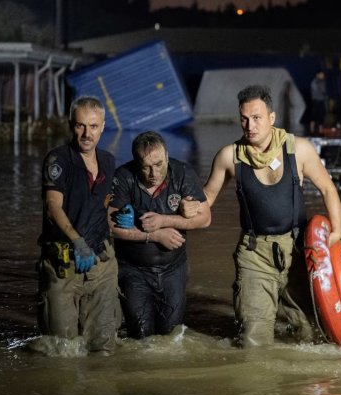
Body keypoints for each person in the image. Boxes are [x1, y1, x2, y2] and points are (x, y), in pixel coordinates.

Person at [181, 85, 341, 348]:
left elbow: (327, 188)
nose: (249, 125)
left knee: (308, 335)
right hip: (254, 254)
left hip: (297, 252)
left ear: (271, 117)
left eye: (256, 118)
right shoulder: (228, 156)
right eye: (244, 118)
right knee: (253, 341)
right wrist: (188, 207)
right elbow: (207, 198)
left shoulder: (299, 149)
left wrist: (336, 232)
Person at [36, 95, 120, 356]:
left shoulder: (108, 161)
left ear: (103, 127)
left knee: (104, 347)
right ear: (71, 125)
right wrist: (77, 241)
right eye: (80, 126)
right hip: (64, 264)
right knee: (62, 350)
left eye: (93, 126)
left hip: (102, 264)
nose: (86, 133)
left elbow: (105, 205)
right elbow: (53, 207)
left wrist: (124, 213)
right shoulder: (58, 160)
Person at [108, 131, 211, 339]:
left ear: (167, 156)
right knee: (140, 335)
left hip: (174, 270)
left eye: (159, 164)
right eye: (146, 167)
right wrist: (153, 236)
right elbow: (108, 226)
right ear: (136, 162)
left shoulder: (182, 173)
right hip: (133, 271)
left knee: (171, 336)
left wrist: (165, 221)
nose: (154, 173)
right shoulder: (122, 177)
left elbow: (205, 219)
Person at [309, 70, 327, 136]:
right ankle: (311, 130)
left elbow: (324, 90)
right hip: (315, 101)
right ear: (318, 75)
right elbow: (318, 91)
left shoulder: (323, 82)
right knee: (313, 116)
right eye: (321, 74)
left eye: (323, 75)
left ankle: (321, 131)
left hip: (321, 101)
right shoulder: (314, 82)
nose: (323, 76)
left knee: (321, 117)